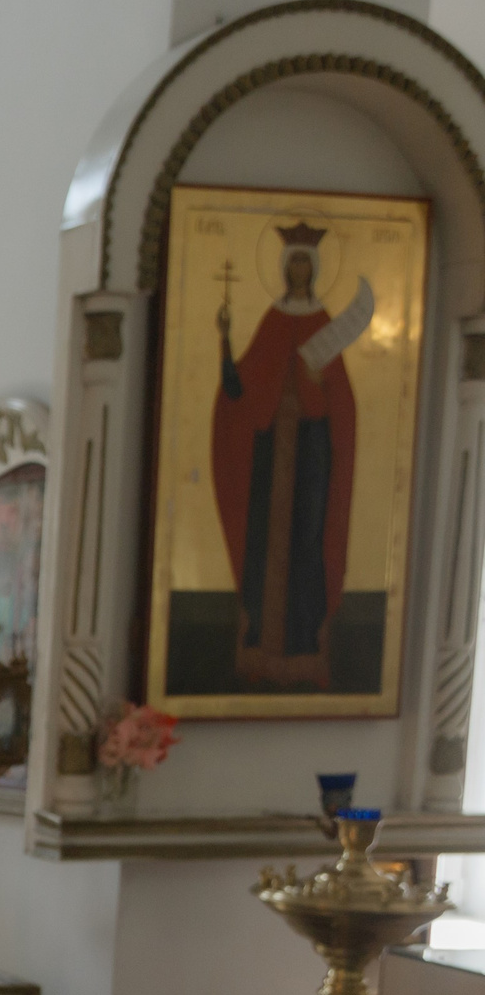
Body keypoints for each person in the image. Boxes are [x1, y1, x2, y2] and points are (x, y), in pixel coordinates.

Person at [212, 222, 369, 690]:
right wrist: (224, 341)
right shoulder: (274, 319)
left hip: (311, 451)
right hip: (269, 451)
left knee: (307, 541)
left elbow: (342, 401)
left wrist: (320, 386)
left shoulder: (323, 323)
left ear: (314, 268)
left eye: (305, 261)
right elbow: (240, 388)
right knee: (264, 539)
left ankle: (305, 646)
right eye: (294, 260)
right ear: (285, 268)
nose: (299, 268)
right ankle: (259, 645)